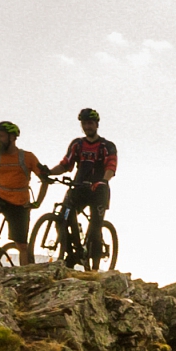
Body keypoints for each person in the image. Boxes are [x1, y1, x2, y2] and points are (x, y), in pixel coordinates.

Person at [51, 107, 116, 267]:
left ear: (96, 124)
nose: (87, 127)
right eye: (85, 124)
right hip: (78, 188)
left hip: (98, 190)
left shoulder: (107, 146)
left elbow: (111, 166)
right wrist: (48, 172)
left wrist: (104, 181)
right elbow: (65, 165)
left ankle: (94, 268)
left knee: (95, 228)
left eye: (90, 123)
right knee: (62, 218)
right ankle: (72, 253)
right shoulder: (77, 144)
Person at [0, 121, 47, 260]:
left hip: (20, 203)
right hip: (0, 198)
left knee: (22, 246)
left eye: (1, 136)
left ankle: (26, 272)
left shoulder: (27, 157)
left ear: (12, 137)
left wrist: (38, 202)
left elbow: (45, 180)